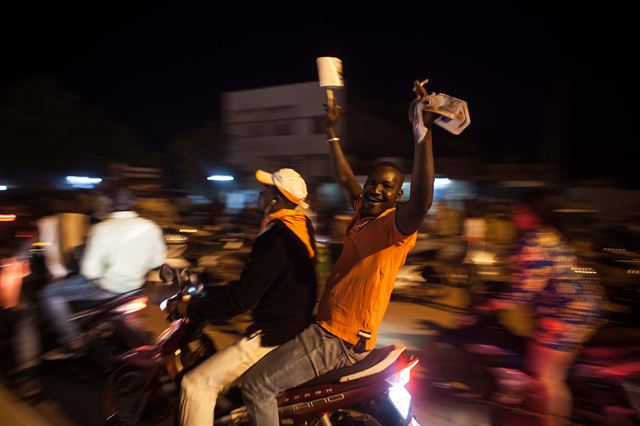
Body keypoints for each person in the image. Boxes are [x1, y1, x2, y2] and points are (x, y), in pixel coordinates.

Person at [240, 81, 437, 425]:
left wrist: (422, 133)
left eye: (386, 186)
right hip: (326, 327)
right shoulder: (364, 212)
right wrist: (330, 132)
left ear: (398, 194)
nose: (375, 189)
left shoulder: (396, 227)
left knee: (257, 386)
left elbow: (422, 200)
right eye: (373, 182)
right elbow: (347, 178)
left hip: (337, 338)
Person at [173, 168, 318, 426]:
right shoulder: (302, 228)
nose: (260, 194)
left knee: (195, 384)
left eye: (266, 190)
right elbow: (257, 284)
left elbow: (241, 301)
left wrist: (193, 308)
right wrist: (211, 291)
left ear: (276, 199)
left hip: (271, 334)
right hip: (295, 327)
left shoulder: (275, 238)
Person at [466, 192, 604, 426]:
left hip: (567, 314)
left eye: (520, 211)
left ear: (533, 214)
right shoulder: (549, 236)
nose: (514, 216)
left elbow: (524, 289)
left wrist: (489, 305)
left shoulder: (536, 242)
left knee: (548, 377)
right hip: (575, 309)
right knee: (535, 367)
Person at [40, 186, 166, 357]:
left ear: (110, 204)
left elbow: (90, 272)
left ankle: (73, 341)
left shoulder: (101, 228)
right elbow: (157, 261)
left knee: (50, 293)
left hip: (105, 288)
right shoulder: (150, 227)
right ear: (133, 203)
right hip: (134, 287)